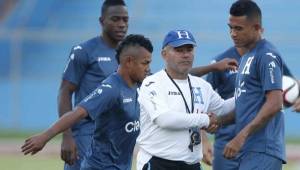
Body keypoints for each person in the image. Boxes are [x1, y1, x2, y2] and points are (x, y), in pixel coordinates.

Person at [21, 34, 153, 170]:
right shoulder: (111, 89)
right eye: (145, 63)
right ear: (129, 61)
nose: (148, 68)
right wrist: (44, 137)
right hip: (101, 167)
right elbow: (77, 113)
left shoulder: (139, 84)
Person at [136, 29, 235, 170]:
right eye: (179, 50)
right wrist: (205, 120)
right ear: (164, 54)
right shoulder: (152, 83)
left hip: (192, 164)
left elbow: (223, 108)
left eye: (189, 50)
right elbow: (164, 119)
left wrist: (248, 93)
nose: (185, 55)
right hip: (158, 162)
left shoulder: (202, 86)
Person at [211, 1, 286, 169]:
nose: (232, 33)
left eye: (239, 29)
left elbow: (274, 103)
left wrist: (241, 136)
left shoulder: (267, 55)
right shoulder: (246, 57)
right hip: (249, 150)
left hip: (263, 150)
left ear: (256, 27)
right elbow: (247, 104)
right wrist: (220, 121)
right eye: (230, 27)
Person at [57, 0, 128, 169]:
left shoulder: (129, 55)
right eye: (115, 19)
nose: (121, 25)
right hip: (86, 134)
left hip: (115, 137)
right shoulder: (84, 51)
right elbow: (65, 92)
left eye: (125, 20)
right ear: (102, 21)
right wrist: (67, 135)